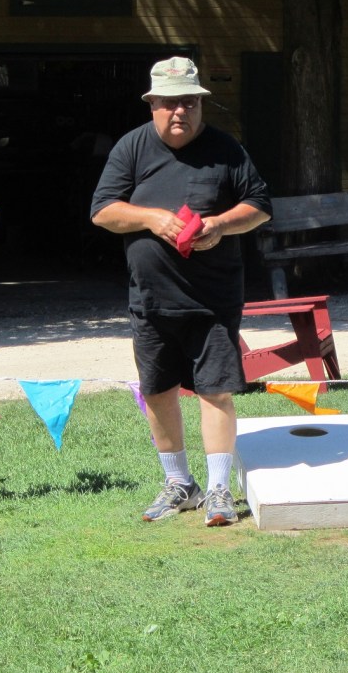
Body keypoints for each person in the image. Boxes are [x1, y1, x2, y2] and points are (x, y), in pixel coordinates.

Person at [91, 56, 271, 527]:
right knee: (157, 391)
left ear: (200, 105)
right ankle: (179, 484)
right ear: (152, 104)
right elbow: (103, 211)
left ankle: (218, 489)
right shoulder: (132, 148)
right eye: (170, 103)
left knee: (215, 392)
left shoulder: (226, 149)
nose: (180, 111)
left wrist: (220, 224)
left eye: (189, 102)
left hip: (212, 299)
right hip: (151, 299)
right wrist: (151, 218)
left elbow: (259, 206)